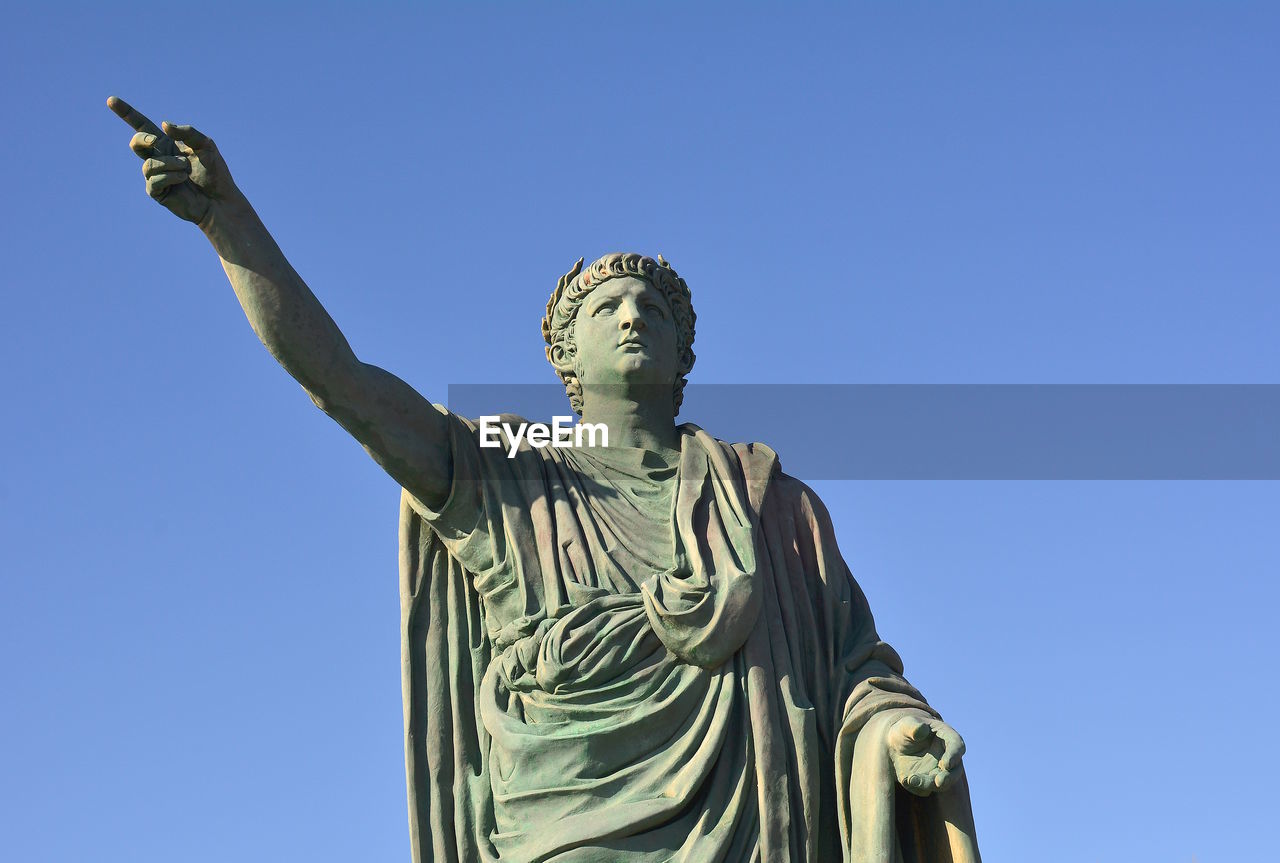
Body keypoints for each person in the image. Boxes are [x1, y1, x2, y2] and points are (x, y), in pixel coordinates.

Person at [109, 96, 982, 863]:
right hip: (567, 822)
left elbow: (852, 663)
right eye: (607, 308)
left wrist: (896, 727)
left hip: (752, 826)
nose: (633, 315)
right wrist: (230, 223)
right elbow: (342, 384)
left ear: (685, 355)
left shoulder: (768, 502)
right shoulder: (502, 473)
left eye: (655, 309)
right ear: (567, 355)